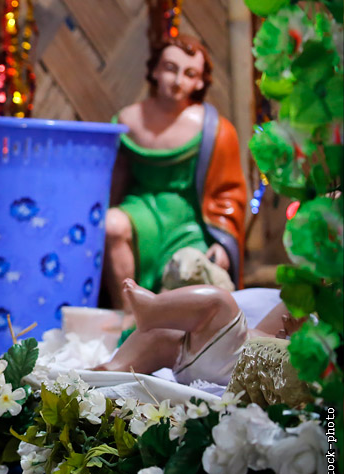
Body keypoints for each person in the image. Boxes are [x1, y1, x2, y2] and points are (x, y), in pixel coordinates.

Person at [103, 35, 247, 307]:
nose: (178, 80)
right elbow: (114, 178)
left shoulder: (215, 130)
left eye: (190, 73)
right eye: (170, 68)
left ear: (200, 82)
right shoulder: (127, 120)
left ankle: (169, 319)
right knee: (111, 225)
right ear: (155, 70)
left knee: (191, 269)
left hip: (190, 222)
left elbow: (228, 192)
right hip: (140, 212)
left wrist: (223, 240)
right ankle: (129, 312)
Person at [94, 278, 298, 387]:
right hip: (205, 362)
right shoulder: (285, 329)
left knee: (221, 303)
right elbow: (275, 321)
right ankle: (110, 370)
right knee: (162, 333)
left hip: (233, 362)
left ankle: (153, 307)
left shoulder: (299, 361)